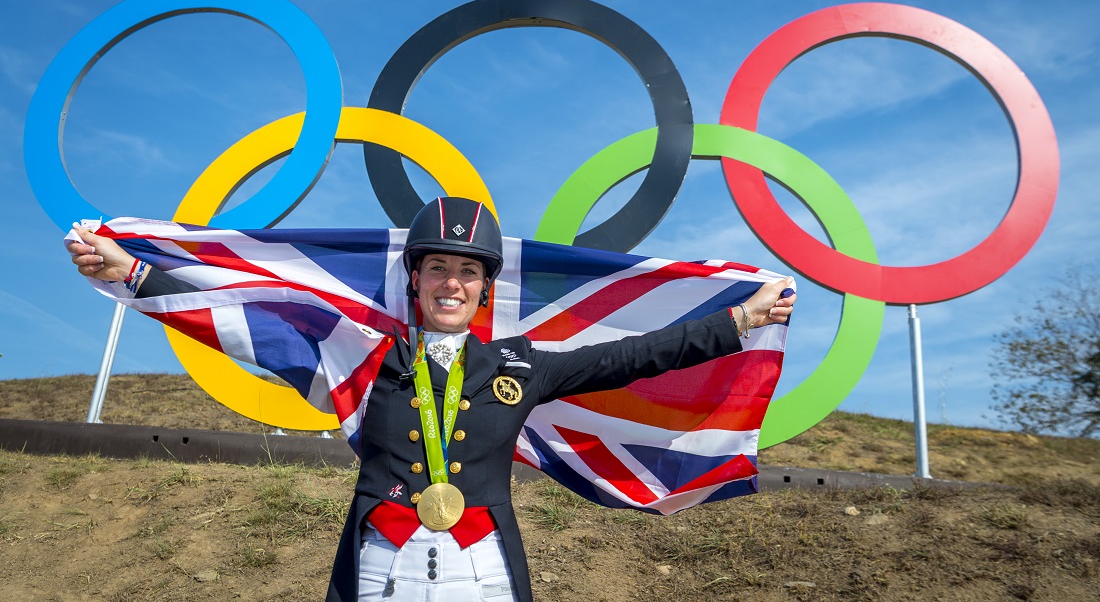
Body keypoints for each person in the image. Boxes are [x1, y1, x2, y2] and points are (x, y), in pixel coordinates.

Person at [67, 197, 796, 602]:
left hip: (486, 574)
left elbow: (634, 355)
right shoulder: (360, 354)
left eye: (468, 272)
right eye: (438, 268)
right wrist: (131, 273)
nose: (452, 283)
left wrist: (741, 320)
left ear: (484, 289)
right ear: (414, 280)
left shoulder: (521, 366)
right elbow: (244, 321)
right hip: (381, 568)